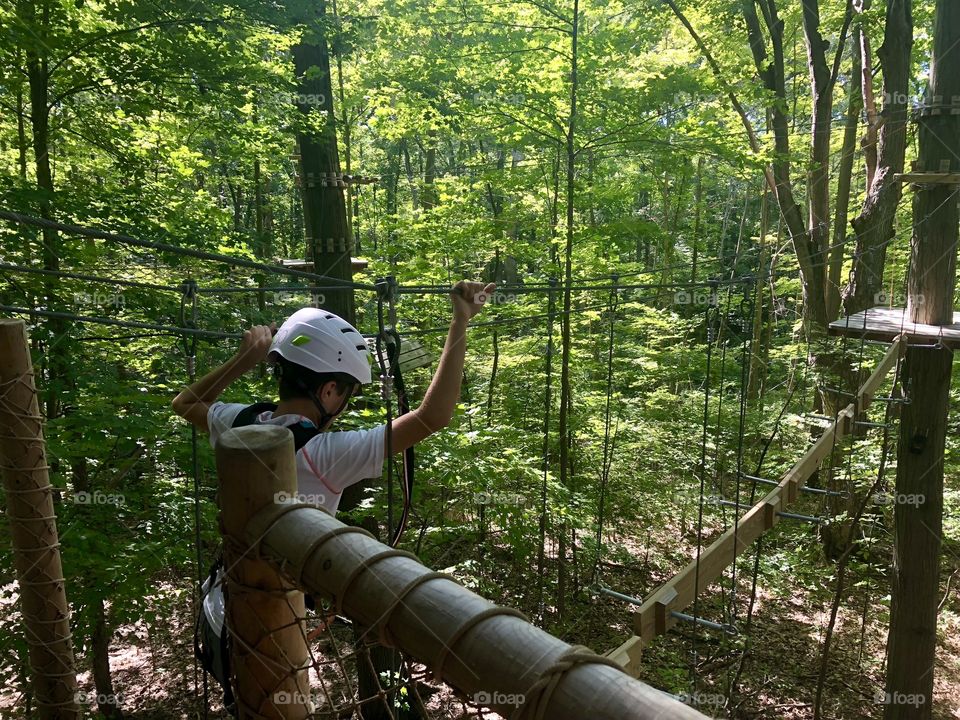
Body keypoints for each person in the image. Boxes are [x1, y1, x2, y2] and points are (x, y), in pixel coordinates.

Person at [171, 280, 495, 712]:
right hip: (285, 609)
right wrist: (460, 322)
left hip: (234, 593)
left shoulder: (242, 422)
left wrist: (245, 359)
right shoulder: (325, 455)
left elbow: (185, 402)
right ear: (328, 392)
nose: (344, 403)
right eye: (347, 392)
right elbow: (432, 417)